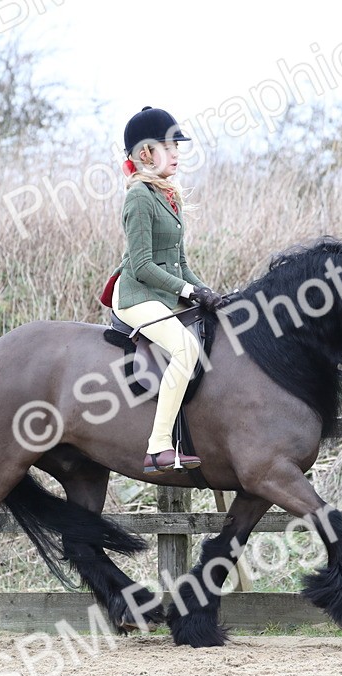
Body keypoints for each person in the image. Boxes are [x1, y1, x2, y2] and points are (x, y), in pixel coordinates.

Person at [111, 106, 227, 473]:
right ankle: (158, 446)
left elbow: (179, 263)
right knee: (185, 347)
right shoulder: (140, 197)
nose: (177, 154)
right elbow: (143, 266)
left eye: (177, 146)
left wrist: (206, 292)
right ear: (146, 153)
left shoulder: (167, 196)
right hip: (136, 296)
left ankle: (190, 437)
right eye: (170, 146)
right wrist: (188, 293)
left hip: (161, 293)